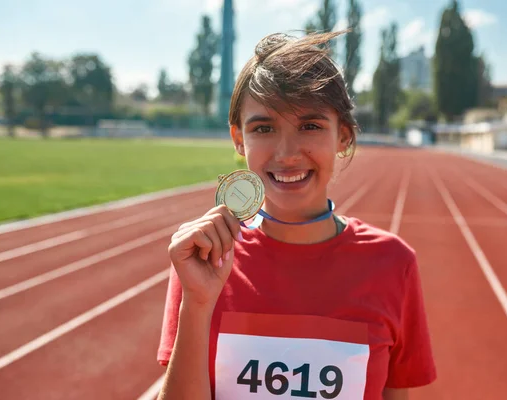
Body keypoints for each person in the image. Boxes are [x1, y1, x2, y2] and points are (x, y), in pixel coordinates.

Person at [156, 30, 436, 400]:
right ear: (239, 140)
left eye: (310, 126)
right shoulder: (205, 258)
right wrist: (199, 302)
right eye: (264, 128)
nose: (287, 153)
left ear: (344, 137)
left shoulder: (392, 263)